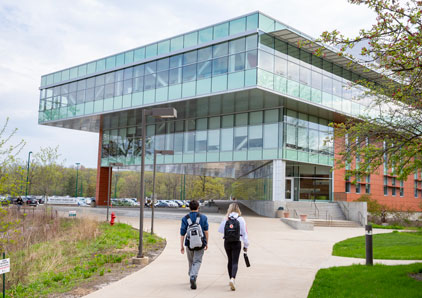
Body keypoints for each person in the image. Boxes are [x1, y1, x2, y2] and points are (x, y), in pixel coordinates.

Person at [218, 203, 249, 291]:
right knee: (235, 261)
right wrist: (246, 245)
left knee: (230, 260)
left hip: (227, 242)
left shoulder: (226, 218)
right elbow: (244, 233)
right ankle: (233, 278)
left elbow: (220, 230)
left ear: (229, 209)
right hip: (236, 242)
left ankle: (230, 279)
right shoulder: (241, 219)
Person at [180, 200, 209, 290]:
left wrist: (181, 246)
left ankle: (191, 275)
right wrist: (206, 243)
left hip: (189, 244)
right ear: (198, 207)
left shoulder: (185, 218)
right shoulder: (203, 217)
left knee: (191, 261)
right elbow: (206, 231)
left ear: (189, 207)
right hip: (200, 243)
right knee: (197, 261)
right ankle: (193, 276)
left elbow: (182, 234)